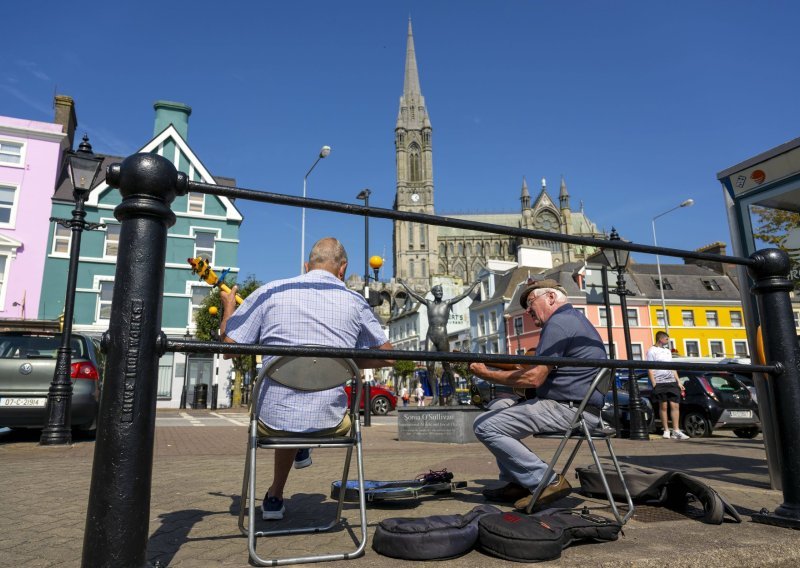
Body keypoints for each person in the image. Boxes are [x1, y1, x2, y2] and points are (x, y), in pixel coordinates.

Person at [220, 237, 393, 520]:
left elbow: (228, 348)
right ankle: (298, 454)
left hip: (272, 419)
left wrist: (229, 305)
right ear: (343, 268)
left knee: (290, 409)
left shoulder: (271, 291)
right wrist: (344, 360)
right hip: (330, 420)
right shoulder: (355, 302)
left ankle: (277, 492)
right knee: (304, 409)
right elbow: (388, 356)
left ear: (305, 266)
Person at [469, 279, 607, 511]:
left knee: (484, 426)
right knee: (497, 407)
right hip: (579, 408)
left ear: (551, 298)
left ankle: (548, 482)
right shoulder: (573, 320)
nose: (527, 309)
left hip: (569, 409)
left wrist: (485, 373)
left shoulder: (559, 324)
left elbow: (532, 378)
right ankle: (518, 482)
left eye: (531, 301)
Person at [399, 279, 479, 402]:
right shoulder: (429, 303)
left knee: (446, 366)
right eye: (438, 291)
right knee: (430, 367)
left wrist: (473, 284)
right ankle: (435, 396)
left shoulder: (447, 303)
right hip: (430, 335)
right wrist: (404, 284)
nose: (440, 292)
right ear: (433, 293)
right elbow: (415, 295)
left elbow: (463, 295)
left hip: (442, 336)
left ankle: (454, 394)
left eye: (441, 291)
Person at [646, 331, 689, 440]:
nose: (667, 341)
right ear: (660, 339)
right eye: (666, 339)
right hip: (659, 382)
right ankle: (666, 430)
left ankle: (676, 430)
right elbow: (650, 368)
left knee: (675, 405)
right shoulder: (652, 351)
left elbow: (672, 367)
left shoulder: (668, 351)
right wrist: (654, 383)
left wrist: (678, 382)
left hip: (671, 382)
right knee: (663, 406)